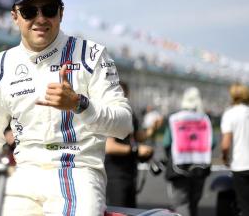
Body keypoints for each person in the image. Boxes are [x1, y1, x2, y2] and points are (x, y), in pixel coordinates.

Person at [0, 0, 133, 216]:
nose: (40, 19)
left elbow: (124, 125)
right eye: (29, 11)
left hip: (77, 169)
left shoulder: (92, 55)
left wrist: (80, 104)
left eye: (48, 9)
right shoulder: (0, 64)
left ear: (61, 12)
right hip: (23, 174)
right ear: (15, 16)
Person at [105, 81, 159, 208]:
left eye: (125, 94)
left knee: (130, 210)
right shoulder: (110, 113)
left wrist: (153, 129)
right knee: (119, 211)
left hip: (130, 173)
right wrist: (136, 150)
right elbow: (109, 146)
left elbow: (137, 136)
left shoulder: (128, 113)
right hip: (115, 175)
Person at [163, 87, 215, 216]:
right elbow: (212, 143)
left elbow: (166, 142)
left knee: (181, 203)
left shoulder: (175, 118)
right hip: (200, 167)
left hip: (178, 167)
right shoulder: (204, 119)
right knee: (194, 202)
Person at [221, 83, 249, 216]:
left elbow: (226, 144)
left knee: (244, 204)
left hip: (241, 165)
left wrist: (225, 157)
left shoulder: (230, 114)